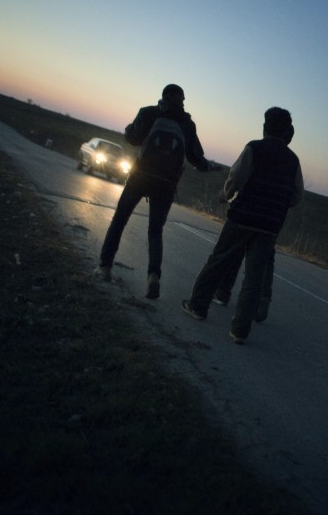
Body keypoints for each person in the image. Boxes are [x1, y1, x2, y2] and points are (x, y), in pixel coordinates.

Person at [181, 107, 303, 343]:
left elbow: (236, 179)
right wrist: (277, 205)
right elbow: (297, 195)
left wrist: (226, 196)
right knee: (254, 278)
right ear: (286, 130)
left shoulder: (254, 148)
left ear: (266, 126)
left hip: (242, 217)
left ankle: (197, 306)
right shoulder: (293, 159)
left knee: (218, 261)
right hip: (270, 226)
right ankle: (240, 330)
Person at [94, 84, 218, 298]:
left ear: (163, 96)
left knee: (119, 220)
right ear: (180, 100)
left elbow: (132, 139)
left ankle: (104, 267)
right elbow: (195, 158)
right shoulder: (187, 124)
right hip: (167, 183)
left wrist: (127, 130)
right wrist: (209, 167)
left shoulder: (148, 112)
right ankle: (153, 276)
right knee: (155, 230)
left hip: (140, 176)